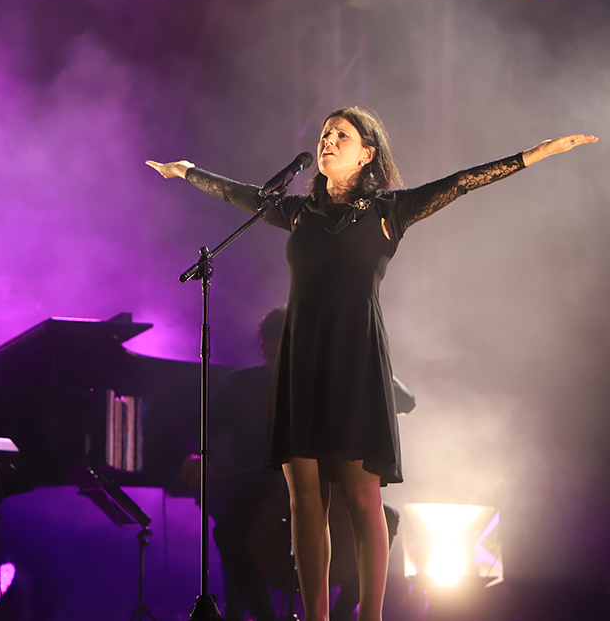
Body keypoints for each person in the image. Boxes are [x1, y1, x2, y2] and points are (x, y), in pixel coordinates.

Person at [148, 108, 596, 621]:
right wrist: (186, 171)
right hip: (301, 361)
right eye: (324, 135)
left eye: (341, 135)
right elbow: (243, 195)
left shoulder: (391, 210)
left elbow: (463, 182)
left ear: (367, 154)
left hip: (355, 360)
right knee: (305, 501)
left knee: (363, 498)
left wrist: (534, 154)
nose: (328, 141)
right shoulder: (297, 212)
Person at [182, 306, 408, 621]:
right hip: (259, 495)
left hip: (328, 491)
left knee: (388, 518)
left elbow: (406, 401)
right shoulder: (244, 384)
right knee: (229, 533)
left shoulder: (329, 384)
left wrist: (366, 365)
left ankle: (343, 613)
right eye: (267, 354)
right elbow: (201, 424)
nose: (273, 364)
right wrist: (195, 453)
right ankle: (266, 617)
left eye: (282, 355)